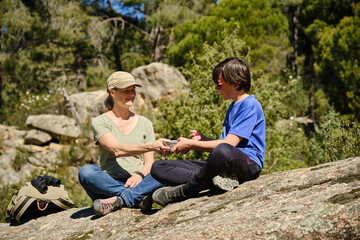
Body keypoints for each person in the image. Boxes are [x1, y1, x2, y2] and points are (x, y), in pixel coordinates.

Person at [150, 57, 265, 206]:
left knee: (222, 151)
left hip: (249, 165)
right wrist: (204, 140)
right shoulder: (233, 106)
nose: (217, 89)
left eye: (219, 84)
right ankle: (214, 181)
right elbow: (228, 144)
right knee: (159, 167)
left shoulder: (250, 105)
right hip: (227, 165)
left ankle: (184, 191)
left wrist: (191, 145)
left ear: (236, 82)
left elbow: (229, 145)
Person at [78, 71, 170, 216]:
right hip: (109, 184)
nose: (131, 94)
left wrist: (140, 175)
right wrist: (151, 146)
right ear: (112, 92)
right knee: (86, 172)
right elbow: (117, 150)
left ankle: (121, 200)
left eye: (133, 90)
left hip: (139, 180)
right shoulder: (100, 122)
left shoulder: (145, 123)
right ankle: (136, 197)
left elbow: (149, 163)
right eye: (126, 91)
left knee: (167, 169)